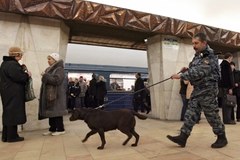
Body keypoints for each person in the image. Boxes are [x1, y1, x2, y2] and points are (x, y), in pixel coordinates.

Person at [167, 32, 227, 148]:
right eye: (193, 43)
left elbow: (200, 71)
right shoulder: (198, 55)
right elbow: (195, 68)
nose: (194, 45)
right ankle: (182, 137)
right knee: (191, 113)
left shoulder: (211, 56)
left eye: (196, 43)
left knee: (211, 115)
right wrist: (187, 69)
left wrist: (181, 76)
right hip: (198, 89)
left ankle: (222, 137)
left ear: (204, 43)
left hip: (208, 90)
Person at [0, 47, 31, 142]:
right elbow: (19, 77)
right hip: (14, 93)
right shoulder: (12, 65)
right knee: (13, 114)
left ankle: (6, 136)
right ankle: (12, 137)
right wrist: (27, 75)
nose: (21, 56)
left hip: (7, 92)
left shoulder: (4, 63)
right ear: (16, 55)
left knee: (8, 113)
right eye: (20, 54)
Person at [39, 52, 68, 136]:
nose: (48, 61)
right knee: (51, 112)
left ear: (55, 60)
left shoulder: (59, 69)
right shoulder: (49, 69)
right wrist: (45, 76)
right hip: (51, 94)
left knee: (57, 112)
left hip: (57, 95)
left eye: (50, 59)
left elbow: (57, 80)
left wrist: (45, 76)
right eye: (48, 59)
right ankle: (52, 128)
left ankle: (60, 129)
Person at [219, 53, 235, 124]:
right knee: (228, 103)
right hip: (226, 87)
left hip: (222, 87)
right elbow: (228, 78)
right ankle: (227, 120)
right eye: (231, 58)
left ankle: (226, 119)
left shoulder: (221, 65)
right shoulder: (227, 65)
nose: (231, 60)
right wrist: (231, 87)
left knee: (224, 103)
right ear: (229, 57)